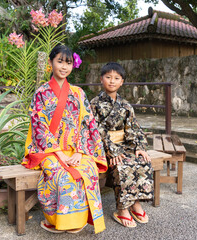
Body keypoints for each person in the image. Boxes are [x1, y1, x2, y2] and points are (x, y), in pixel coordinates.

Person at [22, 45, 108, 234]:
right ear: (51, 62)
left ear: (73, 66)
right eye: (59, 61)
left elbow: (87, 123)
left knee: (87, 169)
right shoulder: (41, 93)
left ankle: (78, 219)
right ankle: (56, 221)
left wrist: (79, 151)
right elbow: (39, 126)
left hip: (75, 149)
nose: (63, 67)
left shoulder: (78, 93)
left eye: (68, 63)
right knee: (61, 175)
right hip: (48, 151)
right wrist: (58, 153)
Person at [90, 62, 153, 228]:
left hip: (124, 145)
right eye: (108, 77)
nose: (112, 81)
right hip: (103, 147)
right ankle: (122, 209)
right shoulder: (94, 103)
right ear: (101, 79)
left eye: (116, 78)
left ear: (122, 82)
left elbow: (134, 128)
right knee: (121, 164)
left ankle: (135, 203)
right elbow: (94, 130)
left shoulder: (126, 105)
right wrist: (112, 151)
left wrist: (139, 147)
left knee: (142, 160)